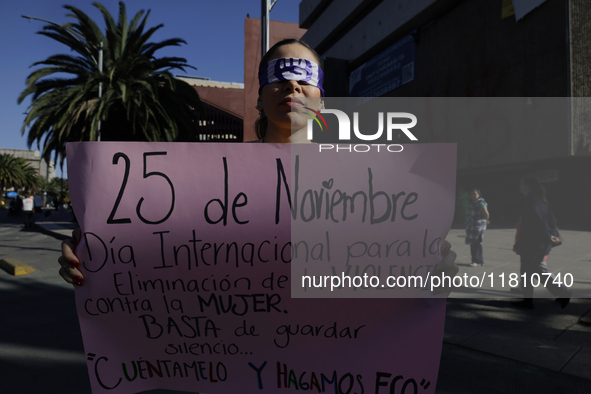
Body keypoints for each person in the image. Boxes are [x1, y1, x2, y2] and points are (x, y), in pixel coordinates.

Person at [59, 38, 457, 286]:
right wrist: (96, 260)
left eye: (305, 77)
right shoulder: (210, 180)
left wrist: (430, 271)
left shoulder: (367, 183)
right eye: (279, 75)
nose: (293, 85)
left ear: (322, 99)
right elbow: (164, 252)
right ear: (259, 98)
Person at [511, 175, 570, 309]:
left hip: (533, 243)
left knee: (527, 271)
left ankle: (531, 301)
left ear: (527, 185)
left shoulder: (530, 200)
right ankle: (561, 292)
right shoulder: (542, 200)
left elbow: (539, 221)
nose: (519, 186)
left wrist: (548, 237)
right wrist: (553, 236)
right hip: (540, 243)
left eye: (521, 183)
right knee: (535, 270)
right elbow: (552, 220)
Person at [465, 188, 490, 267]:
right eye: (471, 194)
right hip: (472, 226)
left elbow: (486, 213)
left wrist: (487, 220)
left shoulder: (480, 203)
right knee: (475, 243)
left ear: (479, 195)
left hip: (478, 227)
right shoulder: (473, 202)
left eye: (475, 194)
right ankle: (479, 261)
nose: (473, 195)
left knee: (476, 243)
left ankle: (476, 261)